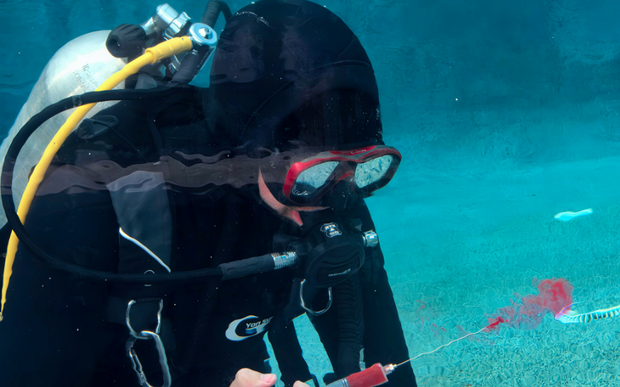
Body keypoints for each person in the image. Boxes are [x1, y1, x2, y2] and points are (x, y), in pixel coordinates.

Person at [0, 0, 416, 386]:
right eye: (315, 172)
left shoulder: (326, 185)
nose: (335, 200)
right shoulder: (90, 198)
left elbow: (386, 358)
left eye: (363, 167)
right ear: (244, 156)